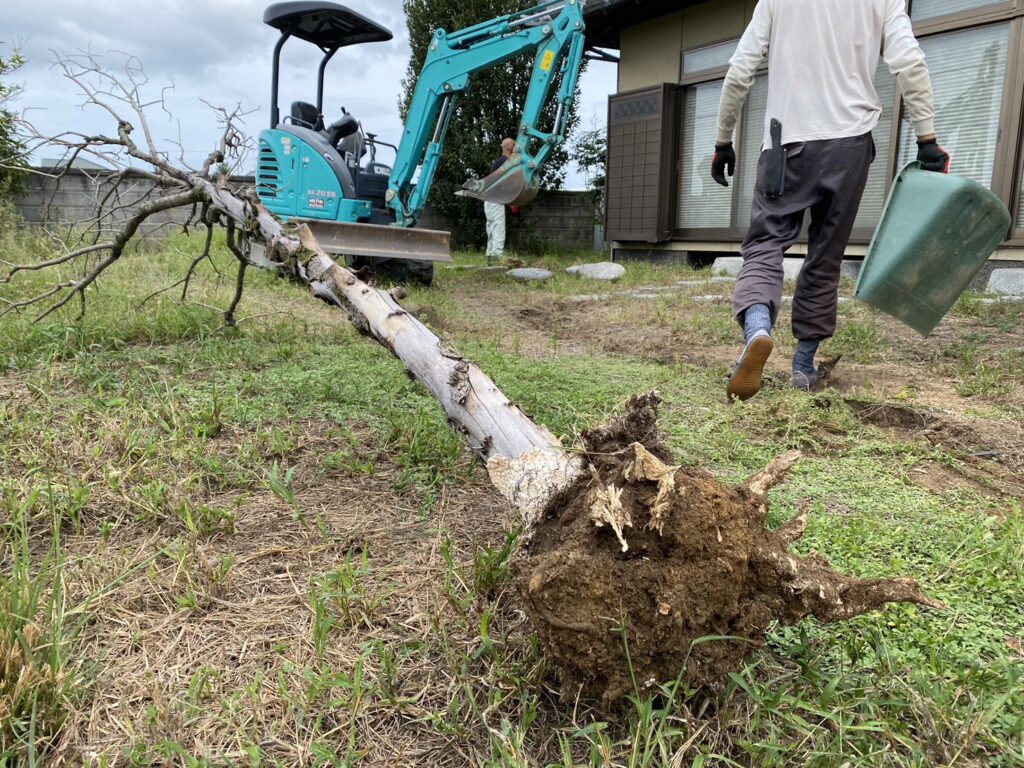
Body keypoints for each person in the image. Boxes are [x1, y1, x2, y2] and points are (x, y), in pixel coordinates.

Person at [711, 0, 950, 402]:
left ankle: (758, 330)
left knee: (765, 243)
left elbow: (740, 69)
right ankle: (803, 368)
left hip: (785, 143)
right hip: (850, 145)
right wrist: (927, 138)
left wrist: (723, 139)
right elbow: (909, 63)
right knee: (826, 252)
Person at [484, 137, 516, 265]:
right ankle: (497, 261)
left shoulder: (497, 162)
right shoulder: (506, 163)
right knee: (498, 231)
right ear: (511, 148)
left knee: (491, 230)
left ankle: (490, 260)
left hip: (489, 200)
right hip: (496, 201)